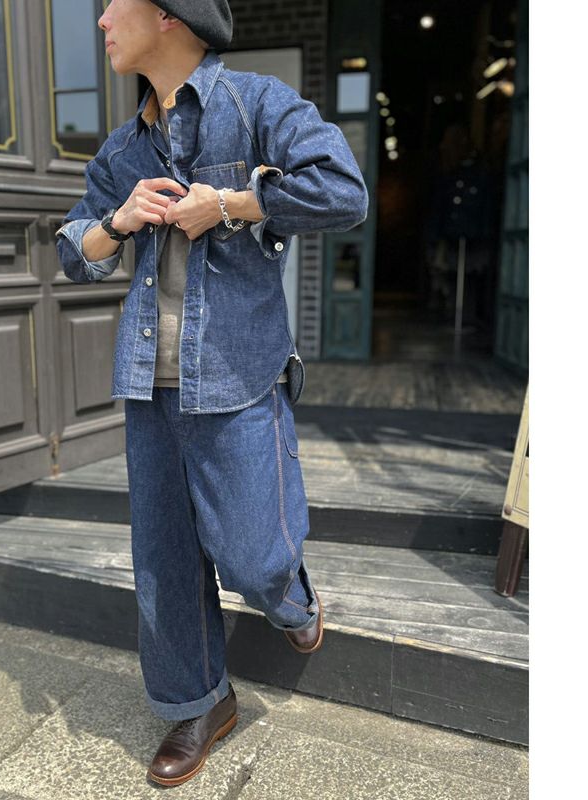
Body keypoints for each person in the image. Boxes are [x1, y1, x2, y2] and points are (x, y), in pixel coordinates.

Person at [56, 0, 368, 787]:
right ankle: (200, 704)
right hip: (148, 385)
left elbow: (343, 190)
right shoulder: (123, 147)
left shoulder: (255, 105)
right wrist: (118, 222)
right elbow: (73, 251)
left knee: (255, 555)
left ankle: (292, 597)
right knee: (164, 561)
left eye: (115, 3)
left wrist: (229, 202)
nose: (101, 19)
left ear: (169, 15)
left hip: (237, 375)